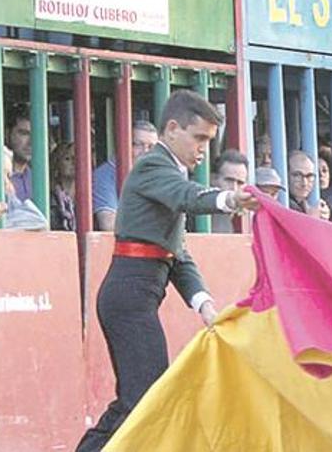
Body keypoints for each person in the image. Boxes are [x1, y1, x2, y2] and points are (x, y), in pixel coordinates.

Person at [75, 90, 260, 452]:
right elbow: (188, 196)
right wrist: (229, 199)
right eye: (199, 138)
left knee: (140, 398)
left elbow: (178, 255)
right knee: (146, 397)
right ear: (172, 129)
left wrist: (204, 304)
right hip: (130, 299)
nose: (204, 149)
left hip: (133, 298)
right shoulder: (153, 166)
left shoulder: (164, 171)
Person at [93, 121, 159, 231]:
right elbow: (109, 225)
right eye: (138, 144)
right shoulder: (105, 175)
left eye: (151, 147)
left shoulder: (156, 176)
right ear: (124, 144)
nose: (145, 152)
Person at [210, 149, 249, 233]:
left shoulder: (247, 217)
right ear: (213, 179)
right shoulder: (201, 219)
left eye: (240, 183)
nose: (234, 188)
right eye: (229, 180)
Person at [6, 106, 33, 202]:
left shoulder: (38, 178)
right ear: (7, 133)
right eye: (24, 133)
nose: (31, 142)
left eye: (35, 134)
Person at [49, 141, 77, 231]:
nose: (74, 162)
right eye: (67, 159)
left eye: (76, 158)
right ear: (57, 163)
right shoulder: (50, 197)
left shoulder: (89, 195)